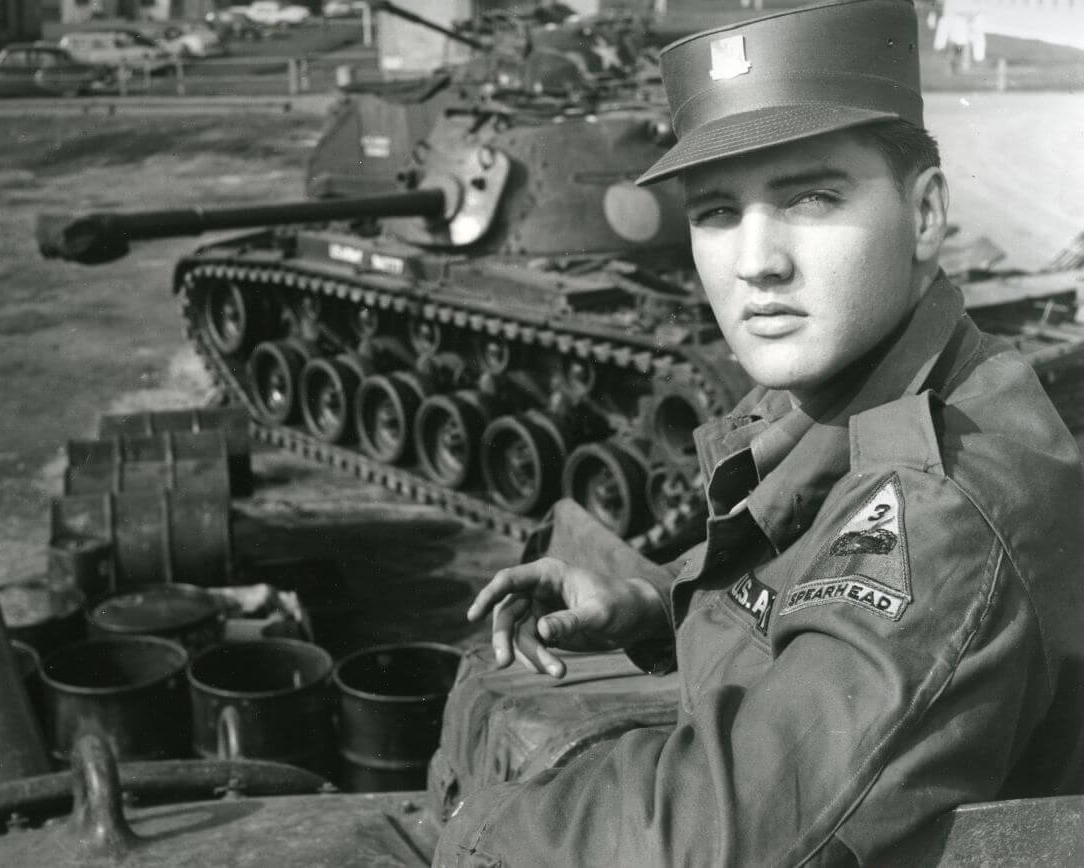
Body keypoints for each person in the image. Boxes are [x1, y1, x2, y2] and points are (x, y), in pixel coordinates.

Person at [432, 0, 1084, 865]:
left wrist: (462, 818)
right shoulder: (876, 389)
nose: (756, 263)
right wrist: (655, 607)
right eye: (715, 213)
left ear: (925, 216)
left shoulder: (942, 506)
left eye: (811, 197)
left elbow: (706, 843)